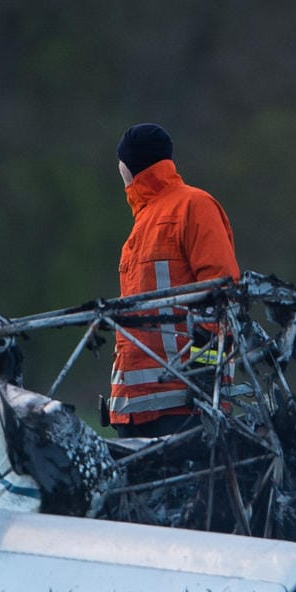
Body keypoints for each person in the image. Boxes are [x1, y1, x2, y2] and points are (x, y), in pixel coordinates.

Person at [105, 123, 241, 438]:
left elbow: (221, 289)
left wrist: (206, 370)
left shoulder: (193, 205)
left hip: (185, 398)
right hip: (136, 407)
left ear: (127, 166)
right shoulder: (143, 224)